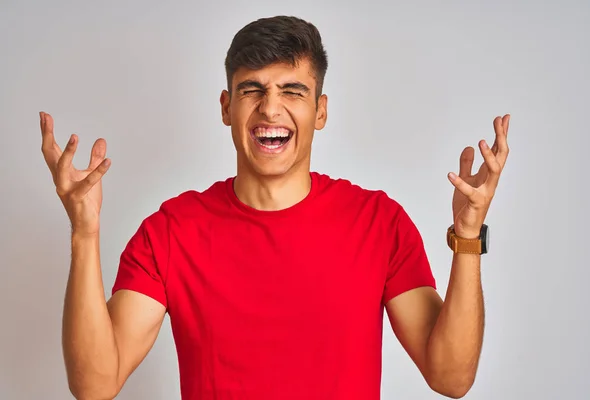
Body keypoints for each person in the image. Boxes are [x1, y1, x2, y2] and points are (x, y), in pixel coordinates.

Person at [40, 15, 510, 400]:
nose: (270, 109)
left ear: (320, 111)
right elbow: (95, 384)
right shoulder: (171, 232)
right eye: (252, 90)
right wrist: (84, 232)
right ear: (226, 107)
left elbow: (451, 378)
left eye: (292, 91)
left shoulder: (378, 223)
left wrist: (468, 236)